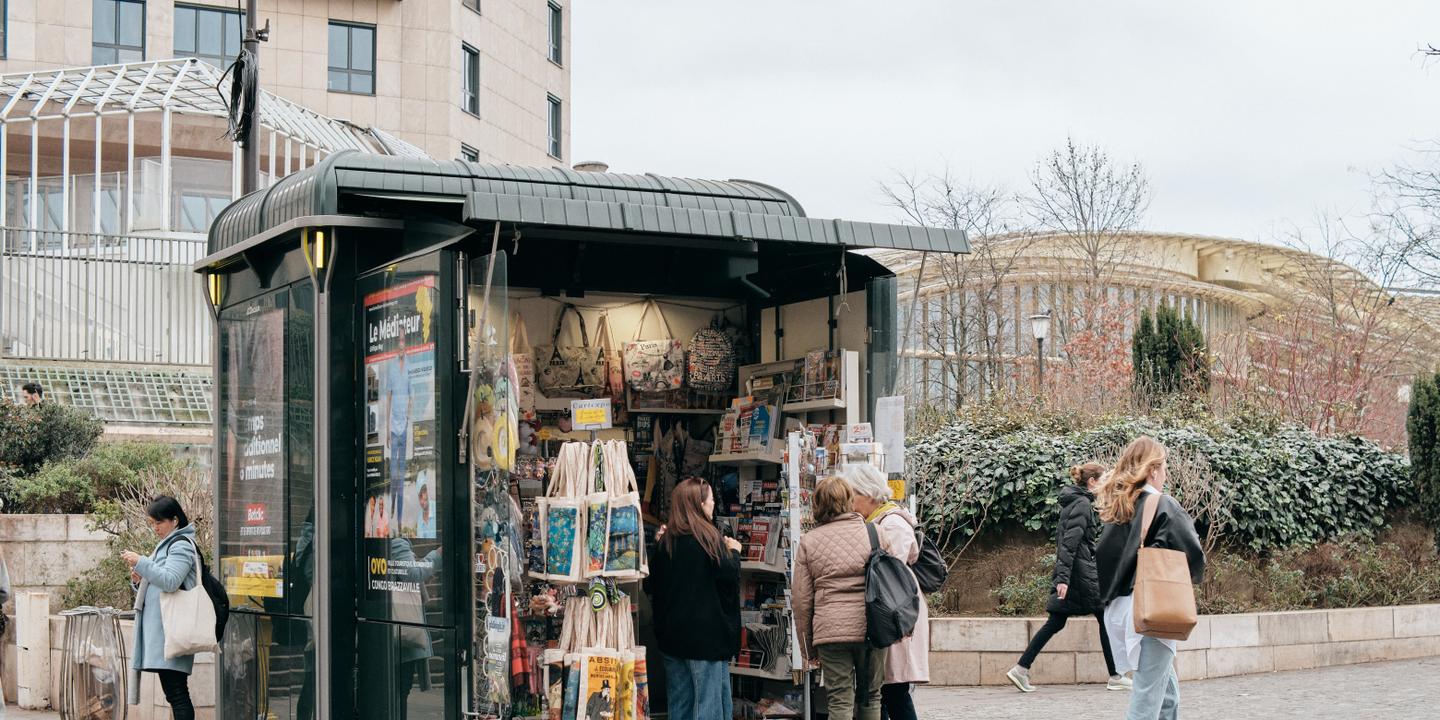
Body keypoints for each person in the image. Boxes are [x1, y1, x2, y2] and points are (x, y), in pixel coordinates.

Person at [1095, 437, 1205, 720]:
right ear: (1153, 469)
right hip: (1153, 611)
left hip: (1120, 611)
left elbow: (1103, 559)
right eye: (1164, 467)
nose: (1166, 474)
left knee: (1167, 697)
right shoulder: (1162, 504)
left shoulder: (1120, 508)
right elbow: (1193, 555)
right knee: (1146, 698)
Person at [1006, 463, 1127, 693]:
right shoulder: (1082, 504)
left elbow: (1071, 543)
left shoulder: (1076, 502)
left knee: (1057, 621)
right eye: (1103, 480)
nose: (1105, 485)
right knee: (1104, 617)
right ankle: (1115, 676)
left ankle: (1021, 669)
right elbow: (1069, 544)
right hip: (1079, 573)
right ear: (1092, 481)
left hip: (1076, 572)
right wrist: (1063, 579)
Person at [646, 478, 742, 720]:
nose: (713, 504)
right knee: (708, 705)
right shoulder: (709, 539)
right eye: (711, 500)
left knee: (680, 704)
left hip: (672, 638)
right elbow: (729, 575)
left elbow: (650, 584)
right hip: (706, 640)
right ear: (700, 504)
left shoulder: (665, 542)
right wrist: (735, 552)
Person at [793, 476, 888, 720]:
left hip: (830, 631)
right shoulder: (876, 533)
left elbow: (802, 601)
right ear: (849, 500)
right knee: (871, 696)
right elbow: (892, 583)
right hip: (871, 627)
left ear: (817, 504)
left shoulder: (809, 542)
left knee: (839, 699)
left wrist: (807, 647)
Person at [839, 464, 927, 720]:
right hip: (888, 613)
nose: (850, 503)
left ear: (868, 493)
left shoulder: (892, 524)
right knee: (886, 691)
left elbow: (888, 573)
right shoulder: (880, 521)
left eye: (853, 495)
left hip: (893, 614)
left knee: (894, 691)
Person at [121, 495, 201, 720]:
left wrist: (141, 561)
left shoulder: (181, 545)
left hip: (173, 630)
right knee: (174, 693)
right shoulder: (167, 544)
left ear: (175, 520)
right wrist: (140, 580)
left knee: (177, 693)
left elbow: (170, 581)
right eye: (152, 523)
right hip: (165, 631)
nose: (155, 528)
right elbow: (160, 581)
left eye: (159, 522)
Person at [386, 352, 412, 533]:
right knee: (393, 475)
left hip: (402, 429)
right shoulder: (393, 373)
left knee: (400, 479)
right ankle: (393, 509)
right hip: (395, 429)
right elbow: (388, 400)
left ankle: (400, 520)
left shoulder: (408, 374)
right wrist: (387, 428)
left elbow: (412, 398)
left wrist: (408, 418)